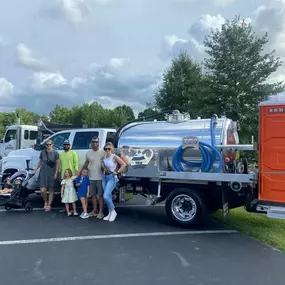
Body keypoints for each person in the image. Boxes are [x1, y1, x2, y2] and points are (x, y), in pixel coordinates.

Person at [81, 136, 105, 219]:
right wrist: (80, 173)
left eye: (96, 142)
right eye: (93, 142)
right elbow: (86, 163)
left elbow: (106, 164)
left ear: (99, 143)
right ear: (91, 143)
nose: (95, 143)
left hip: (100, 178)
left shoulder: (103, 152)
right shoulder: (88, 153)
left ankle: (101, 212)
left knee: (100, 196)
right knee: (93, 195)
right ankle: (95, 211)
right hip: (91, 177)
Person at [32, 139, 59, 212]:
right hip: (43, 172)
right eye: (47, 145)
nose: (48, 146)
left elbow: (57, 164)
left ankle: (49, 204)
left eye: (49, 144)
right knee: (42, 190)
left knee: (51, 190)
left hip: (52, 172)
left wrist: (56, 173)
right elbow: (40, 161)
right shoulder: (43, 152)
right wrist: (35, 169)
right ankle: (45, 201)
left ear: (52, 145)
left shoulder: (55, 153)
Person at [102, 142, 126, 222]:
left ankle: (113, 211)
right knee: (107, 196)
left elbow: (124, 164)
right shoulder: (105, 156)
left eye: (109, 149)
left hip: (111, 177)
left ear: (111, 149)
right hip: (104, 177)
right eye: (105, 149)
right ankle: (110, 213)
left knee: (105, 196)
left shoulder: (114, 156)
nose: (107, 150)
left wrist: (118, 171)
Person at [58, 139, 79, 213]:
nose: (66, 146)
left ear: (70, 145)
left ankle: (73, 208)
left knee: (72, 193)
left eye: (67, 144)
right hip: (64, 176)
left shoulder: (73, 153)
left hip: (71, 176)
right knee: (65, 193)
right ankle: (66, 208)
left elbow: (76, 164)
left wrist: (76, 174)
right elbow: (59, 165)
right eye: (65, 145)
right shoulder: (61, 154)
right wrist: (59, 174)